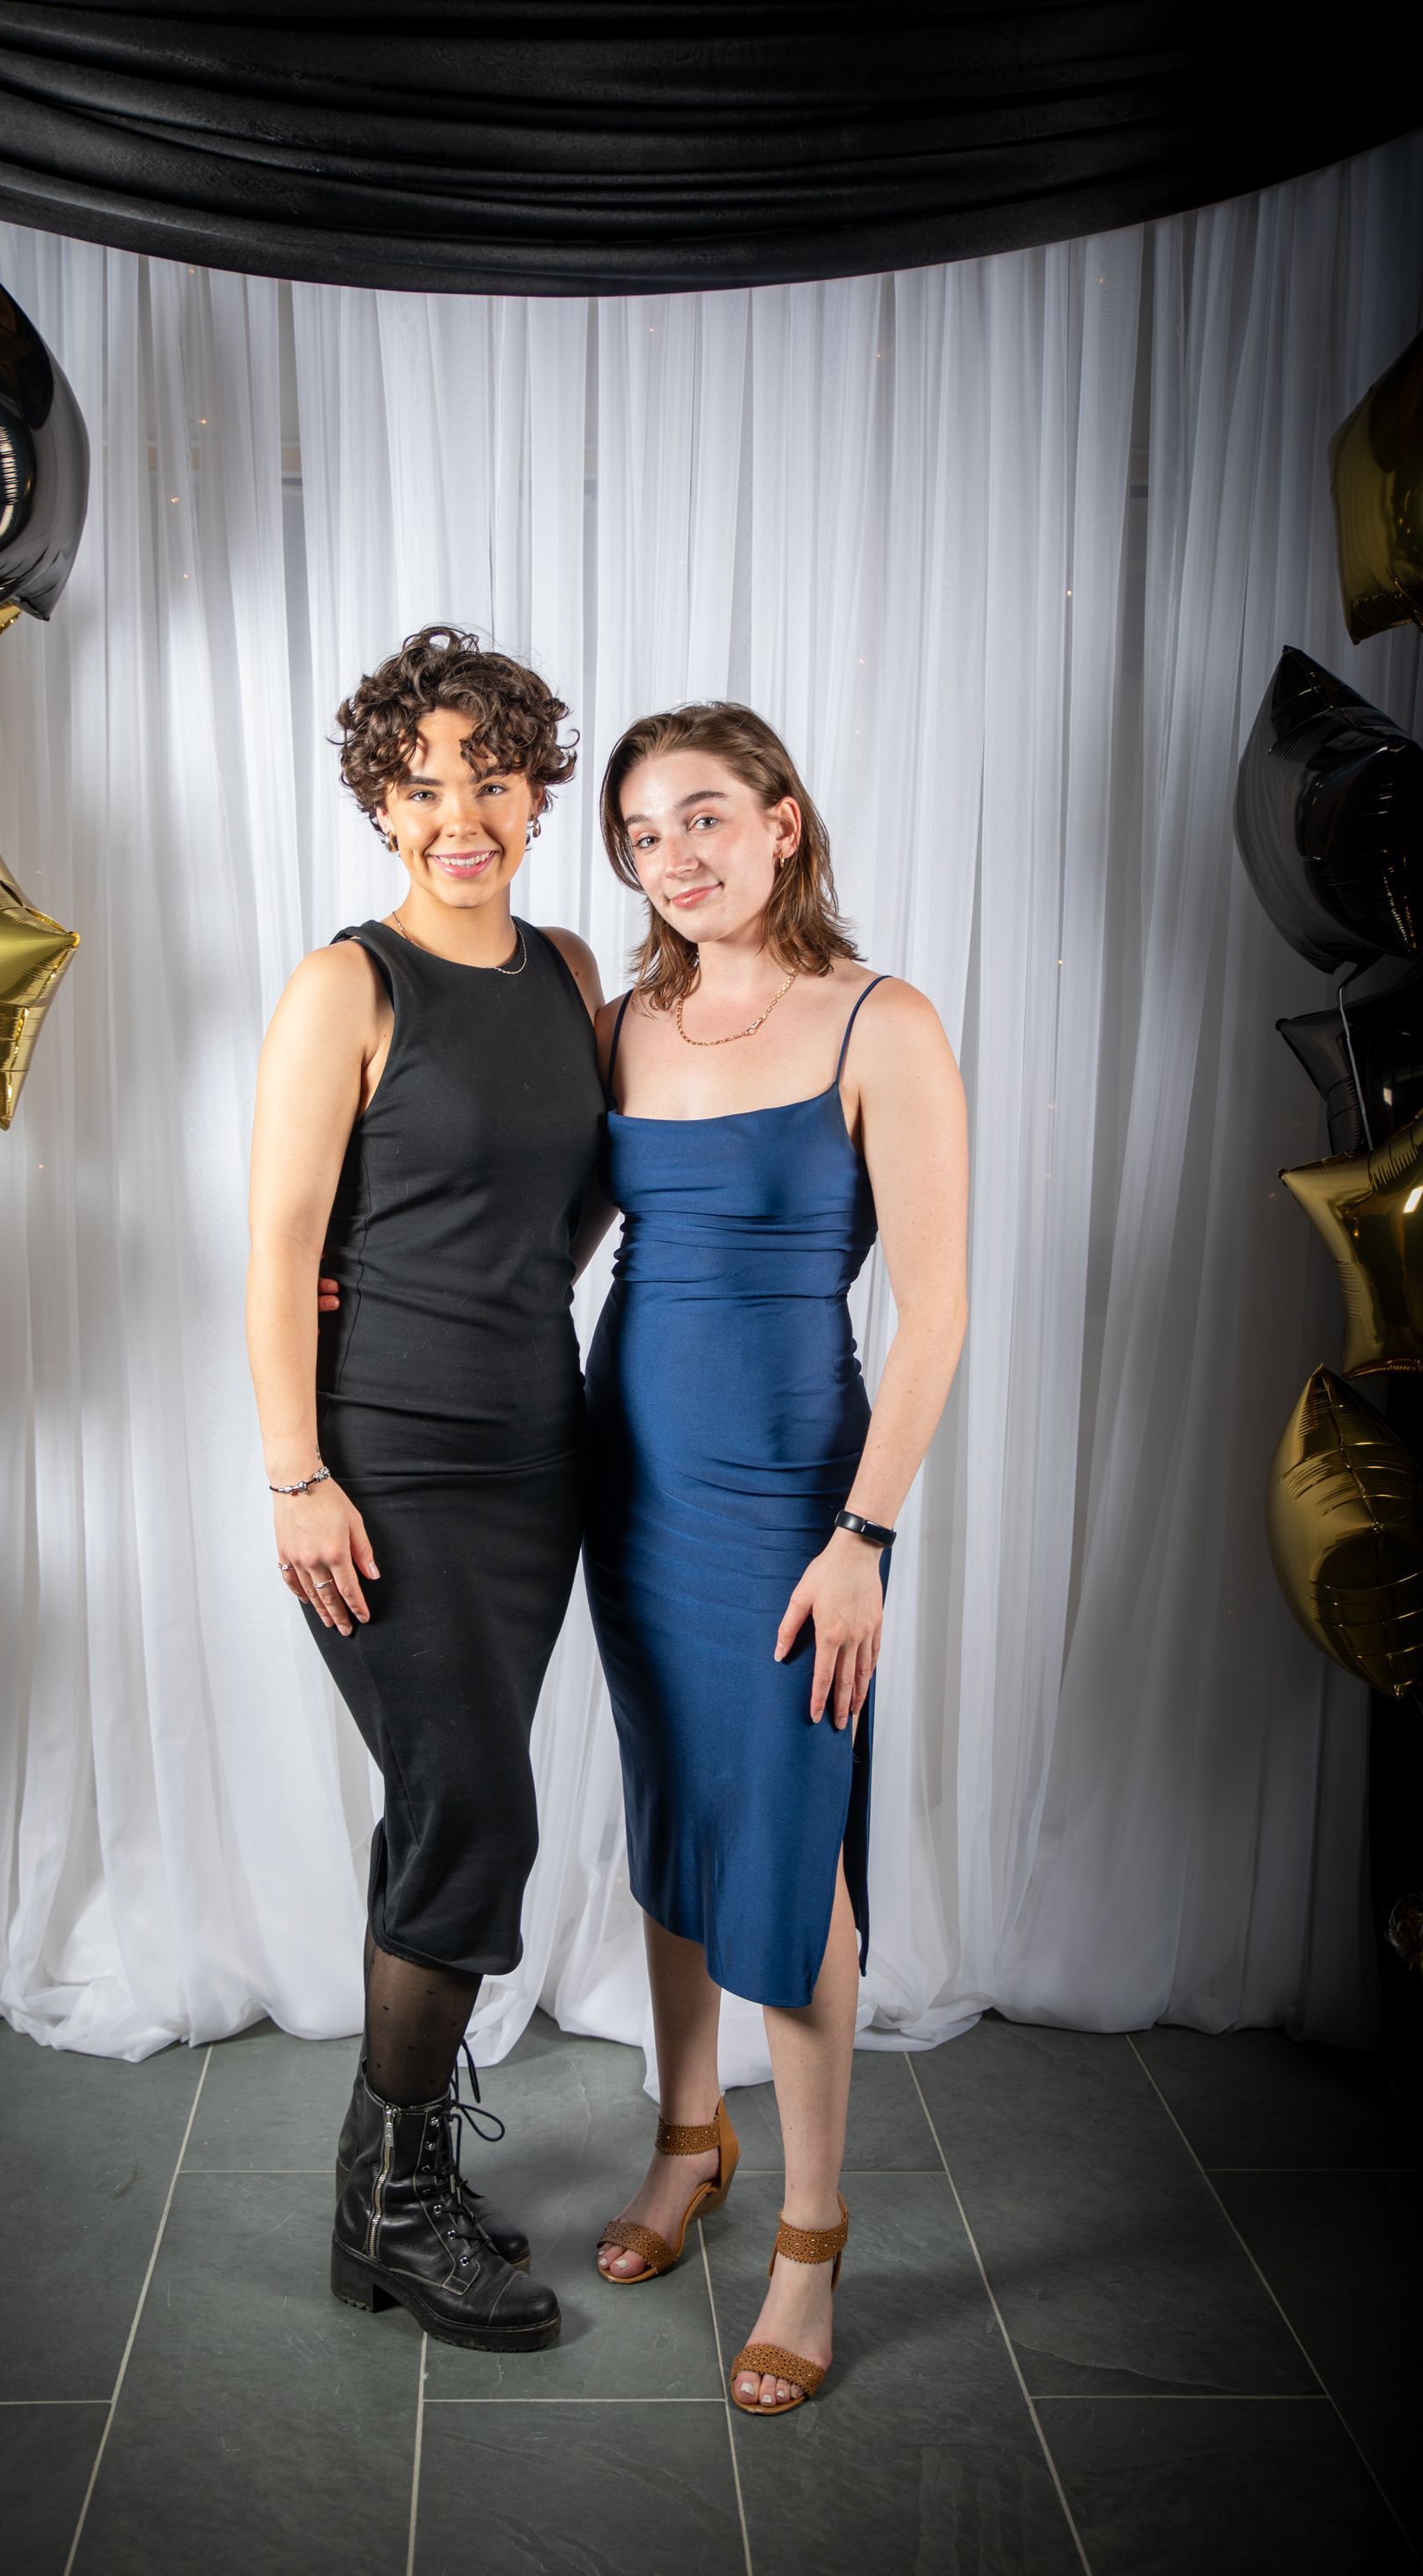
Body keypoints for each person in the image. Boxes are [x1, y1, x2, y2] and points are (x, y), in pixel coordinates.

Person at [583, 703, 967, 2414]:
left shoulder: (883, 1019)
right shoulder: (621, 1023)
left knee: (794, 1845)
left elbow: (939, 1304)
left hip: (798, 1494)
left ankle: (811, 2229)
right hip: (631, 1477)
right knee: (669, 1802)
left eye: (707, 815)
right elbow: (541, 1232)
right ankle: (690, 2131)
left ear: (786, 821)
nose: (676, 854)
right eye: (645, 833)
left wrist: (865, 1534)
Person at [246, 626, 605, 2353]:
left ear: (537, 784)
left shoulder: (571, 969)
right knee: (477, 1807)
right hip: (382, 1464)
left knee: (441, 1803)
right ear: (381, 800)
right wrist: (297, 1468)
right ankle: (398, 2206)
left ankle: (377, 2189)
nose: (457, 812)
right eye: (419, 781)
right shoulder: (348, 983)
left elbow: (576, 1196)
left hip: (539, 1458)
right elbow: (277, 1247)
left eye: (489, 774)